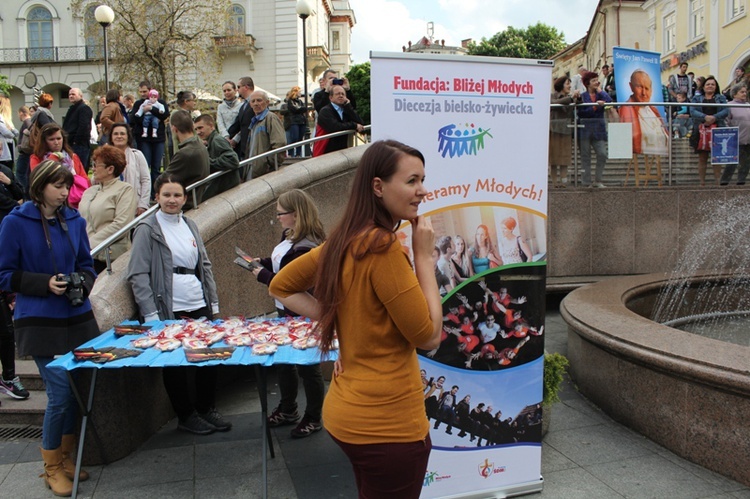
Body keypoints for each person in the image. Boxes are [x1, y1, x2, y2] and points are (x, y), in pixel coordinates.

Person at [269, 140, 442, 498]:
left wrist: (339, 319)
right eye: (412, 181)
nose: (422, 191)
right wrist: (425, 259)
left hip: (346, 415)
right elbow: (428, 336)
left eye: (422, 180)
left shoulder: (344, 239)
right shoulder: (383, 248)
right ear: (378, 186)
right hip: (389, 427)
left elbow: (280, 286)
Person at [0, 160, 99, 496]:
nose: (64, 192)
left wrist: (81, 284)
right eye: (57, 186)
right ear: (40, 186)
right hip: (40, 319)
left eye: (66, 186)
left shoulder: (74, 219)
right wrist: (45, 283)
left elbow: (87, 266)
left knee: (73, 391)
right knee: (58, 392)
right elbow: (4, 274)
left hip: (76, 317)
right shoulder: (15, 223)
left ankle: (66, 457)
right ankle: (51, 466)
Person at [127, 174, 230, 435]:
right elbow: (138, 273)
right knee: (175, 364)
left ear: (185, 198)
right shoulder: (147, 229)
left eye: (177, 195)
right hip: (168, 306)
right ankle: (185, 415)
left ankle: (207, 408)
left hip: (197, 300)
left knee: (210, 355)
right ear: (157, 197)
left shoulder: (190, 224)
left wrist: (213, 304)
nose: (172, 200)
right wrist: (150, 314)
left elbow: (203, 265)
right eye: (166, 195)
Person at [247, 189, 327, 438]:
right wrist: (261, 261)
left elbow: (292, 284)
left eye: (281, 213)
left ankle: (313, 417)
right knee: (284, 362)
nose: (278, 217)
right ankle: (288, 408)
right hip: (285, 312)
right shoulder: (290, 237)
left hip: (303, 313)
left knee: (307, 367)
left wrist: (263, 276)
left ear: (296, 214)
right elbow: (281, 263)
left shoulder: (307, 247)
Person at [78, 145, 137, 273]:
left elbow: (122, 224)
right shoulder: (89, 191)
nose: (92, 168)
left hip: (110, 257)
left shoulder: (125, 189)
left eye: (96, 165)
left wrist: (89, 243)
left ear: (110, 169)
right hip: (87, 255)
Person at [0, 161, 29, 403]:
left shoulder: (6, 172)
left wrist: (9, 183)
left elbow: (21, 198)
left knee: (6, 330)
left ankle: (9, 377)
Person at [30, 123, 90, 209]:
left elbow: (85, 179)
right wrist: (52, 159)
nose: (56, 142)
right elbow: (37, 179)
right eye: (51, 139)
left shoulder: (72, 156)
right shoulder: (36, 158)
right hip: (47, 203)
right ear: (44, 141)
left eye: (59, 138)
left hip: (74, 201)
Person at [165, 110, 210, 209]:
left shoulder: (185, 153)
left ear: (174, 129)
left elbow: (162, 181)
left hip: (186, 205)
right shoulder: (200, 147)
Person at [618, 70, 668, 156]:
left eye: (647, 88)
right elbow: (623, 144)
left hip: (659, 157)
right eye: (640, 87)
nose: (644, 93)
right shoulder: (626, 110)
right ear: (631, 87)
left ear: (651, 90)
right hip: (639, 157)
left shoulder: (654, 110)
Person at [689, 76, 729, 186]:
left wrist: (714, 117)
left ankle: (717, 181)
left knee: (717, 158)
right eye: (708, 84)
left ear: (716, 87)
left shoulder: (720, 98)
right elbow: (692, 110)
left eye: (712, 84)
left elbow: (726, 110)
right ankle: (702, 182)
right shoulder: (697, 98)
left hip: (717, 129)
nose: (710, 86)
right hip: (701, 130)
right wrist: (705, 117)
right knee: (702, 157)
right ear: (704, 86)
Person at [132, 81, 170, 191]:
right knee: (145, 166)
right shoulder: (138, 104)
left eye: (145, 91)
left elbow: (165, 115)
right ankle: (145, 191)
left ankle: (156, 191)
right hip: (144, 139)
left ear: (150, 90)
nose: (143, 94)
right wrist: (144, 111)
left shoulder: (160, 102)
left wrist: (152, 109)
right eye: (141, 92)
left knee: (156, 167)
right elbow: (134, 119)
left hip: (158, 138)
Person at [194, 114, 240, 200]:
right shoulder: (212, 141)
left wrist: (208, 162)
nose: (198, 132)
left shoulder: (217, 140)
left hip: (227, 188)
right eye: (196, 129)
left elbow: (233, 160)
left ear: (211, 126)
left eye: (200, 128)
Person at [578, 71, 612, 188]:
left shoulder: (600, 94)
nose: (596, 82)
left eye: (597, 80)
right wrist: (594, 107)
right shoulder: (582, 96)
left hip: (598, 130)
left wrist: (600, 91)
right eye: (593, 81)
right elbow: (581, 112)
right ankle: (586, 181)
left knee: (602, 154)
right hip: (585, 130)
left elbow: (610, 101)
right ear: (587, 83)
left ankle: (598, 180)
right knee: (585, 156)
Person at [110, 122, 151, 215]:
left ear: (128, 136)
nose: (119, 136)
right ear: (111, 137)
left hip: (134, 204)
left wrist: (143, 204)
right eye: (115, 134)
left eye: (122, 134)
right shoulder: (105, 156)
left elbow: (145, 180)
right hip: (111, 204)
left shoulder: (137, 155)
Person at [246, 90, 286, 180]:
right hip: (253, 170)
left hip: (265, 172)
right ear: (250, 105)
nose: (256, 103)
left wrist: (269, 165)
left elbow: (280, 144)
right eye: (253, 101)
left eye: (259, 100)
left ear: (267, 102)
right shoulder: (254, 122)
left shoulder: (271, 118)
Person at [314, 85, 364, 157]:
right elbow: (334, 127)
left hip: (343, 150)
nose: (341, 96)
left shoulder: (346, 109)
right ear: (331, 97)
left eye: (343, 94)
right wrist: (354, 125)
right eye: (337, 94)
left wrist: (348, 106)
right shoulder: (325, 111)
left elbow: (361, 123)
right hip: (326, 152)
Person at [549, 76, 578, 188]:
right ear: (561, 85)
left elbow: (575, 107)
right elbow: (554, 103)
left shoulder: (569, 97)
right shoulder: (553, 96)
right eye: (567, 84)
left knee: (564, 158)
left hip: (566, 130)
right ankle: (555, 182)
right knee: (554, 159)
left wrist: (577, 99)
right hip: (554, 130)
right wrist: (570, 99)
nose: (569, 86)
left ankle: (563, 182)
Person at [720, 83, 750, 185]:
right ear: (734, 94)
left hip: (748, 140)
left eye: (745, 92)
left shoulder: (748, 105)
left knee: (746, 163)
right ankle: (724, 182)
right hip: (735, 140)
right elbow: (725, 121)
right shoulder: (729, 105)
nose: (744, 94)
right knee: (731, 163)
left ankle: (741, 182)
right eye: (742, 92)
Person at [62, 88, 93, 169]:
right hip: (71, 144)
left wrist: (76, 141)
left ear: (80, 96)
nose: (71, 96)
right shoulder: (73, 109)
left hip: (79, 146)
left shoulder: (83, 108)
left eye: (73, 94)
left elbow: (84, 127)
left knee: (79, 170)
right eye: (69, 94)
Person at [227, 76, 256, 160]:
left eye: (238, 87)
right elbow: (237, 125)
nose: (237, 90)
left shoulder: (256, 103)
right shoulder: (243, 105)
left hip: (253, 145)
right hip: (243, 147)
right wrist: (226, 138)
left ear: (246, 87)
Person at [170, 91, 200, 155]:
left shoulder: (193, 114)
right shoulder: (176, 114)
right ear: (186, 101)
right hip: (181, 149)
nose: (195, 103)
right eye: (193, 100)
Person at [284, 86, 308, 158]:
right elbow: (295, 109)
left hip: (301, 121)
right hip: (294, 121)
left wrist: (301, 109)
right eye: (299, 91)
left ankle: (298, 153)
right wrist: (301, 109)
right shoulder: (290, 101)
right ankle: (291, 153)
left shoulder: (300, 101)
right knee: (294, 137)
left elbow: (304, 108)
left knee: (300, 138)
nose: (300, 93)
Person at [15, 106, 33, 198]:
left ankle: (24, 194)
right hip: (27, 154)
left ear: (21, 113)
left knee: (21, 174)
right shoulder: (30, 122)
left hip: (25, 153)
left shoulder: (27, 122)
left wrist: (21, 146)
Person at [0, 95, 18, 169]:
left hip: (7, 147)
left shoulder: (6, 118)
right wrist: (12, 132)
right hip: (3, 147)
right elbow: (6, 132)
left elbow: (16, 132)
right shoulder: (3, 118)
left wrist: (11, 131)